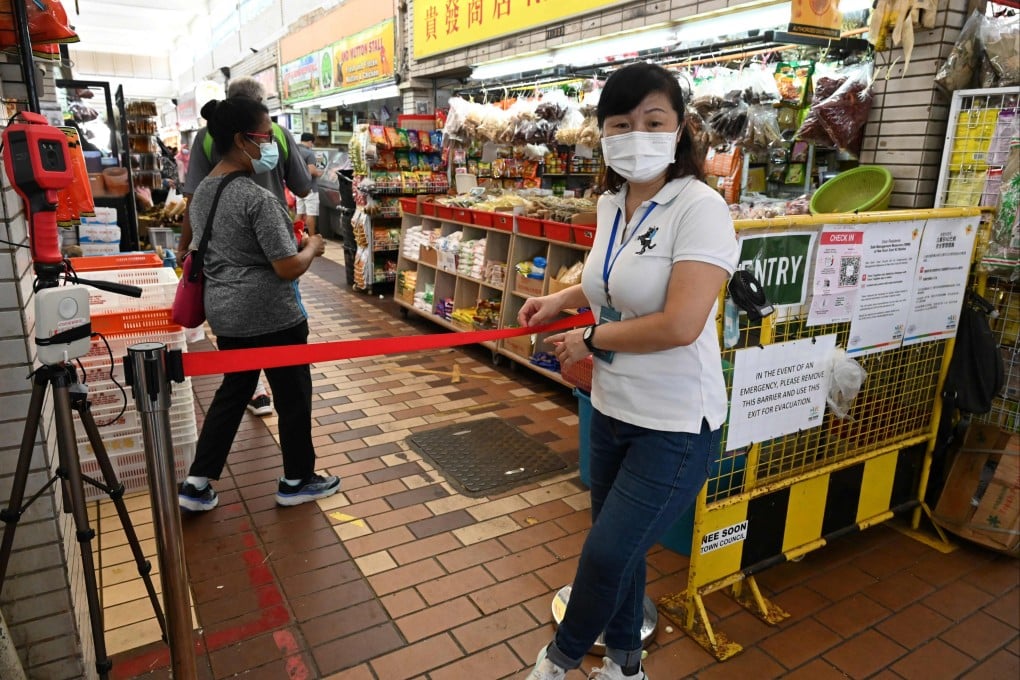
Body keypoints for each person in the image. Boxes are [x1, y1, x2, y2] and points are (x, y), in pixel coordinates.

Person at [518, 62, 739, 680]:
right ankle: (625, 667)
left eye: (654, 120)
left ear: (679, 129)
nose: (637, 133)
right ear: (605, 133)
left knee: (607, 553)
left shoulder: (700, 208)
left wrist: (586, 337)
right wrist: (564, 302)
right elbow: (612, 285)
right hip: (611, 409)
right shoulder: (612, 203)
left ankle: (555, 666)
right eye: (622, 122)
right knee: (627, 554)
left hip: (673, 423)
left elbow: (679, 323)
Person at [177, 96, 340, 512]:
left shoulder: (203, 193)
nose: (271, 146)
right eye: (266, 137)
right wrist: (315, 248)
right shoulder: (257, 198)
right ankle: (297, 479)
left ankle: (197, 483)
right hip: (272, 315)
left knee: (234, 391)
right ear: (241, 140)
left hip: (226, 314)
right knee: (292, 394)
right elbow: (286, 267)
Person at [177, 75, 314, 417]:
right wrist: (313, 248)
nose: (268, 139)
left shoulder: (206, 140)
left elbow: (193, 197)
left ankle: (252, 394)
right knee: (289, 374)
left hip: (224, 285)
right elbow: (302, 187)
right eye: (263, 134)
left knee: (236, 380)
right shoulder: (277, 143)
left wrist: (186, 249)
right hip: (275, 264)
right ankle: (298, 469)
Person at [296, 132, 324, 235]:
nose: (312, 146)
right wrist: (319, 173)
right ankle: (312, 238)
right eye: (312, 143)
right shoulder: (309, 153)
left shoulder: (295, 151)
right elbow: (312, 171)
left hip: (298, 187)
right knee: (311, 214)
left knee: (299, 212)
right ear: (310, 142)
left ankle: (296, 236)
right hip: (310, 189)